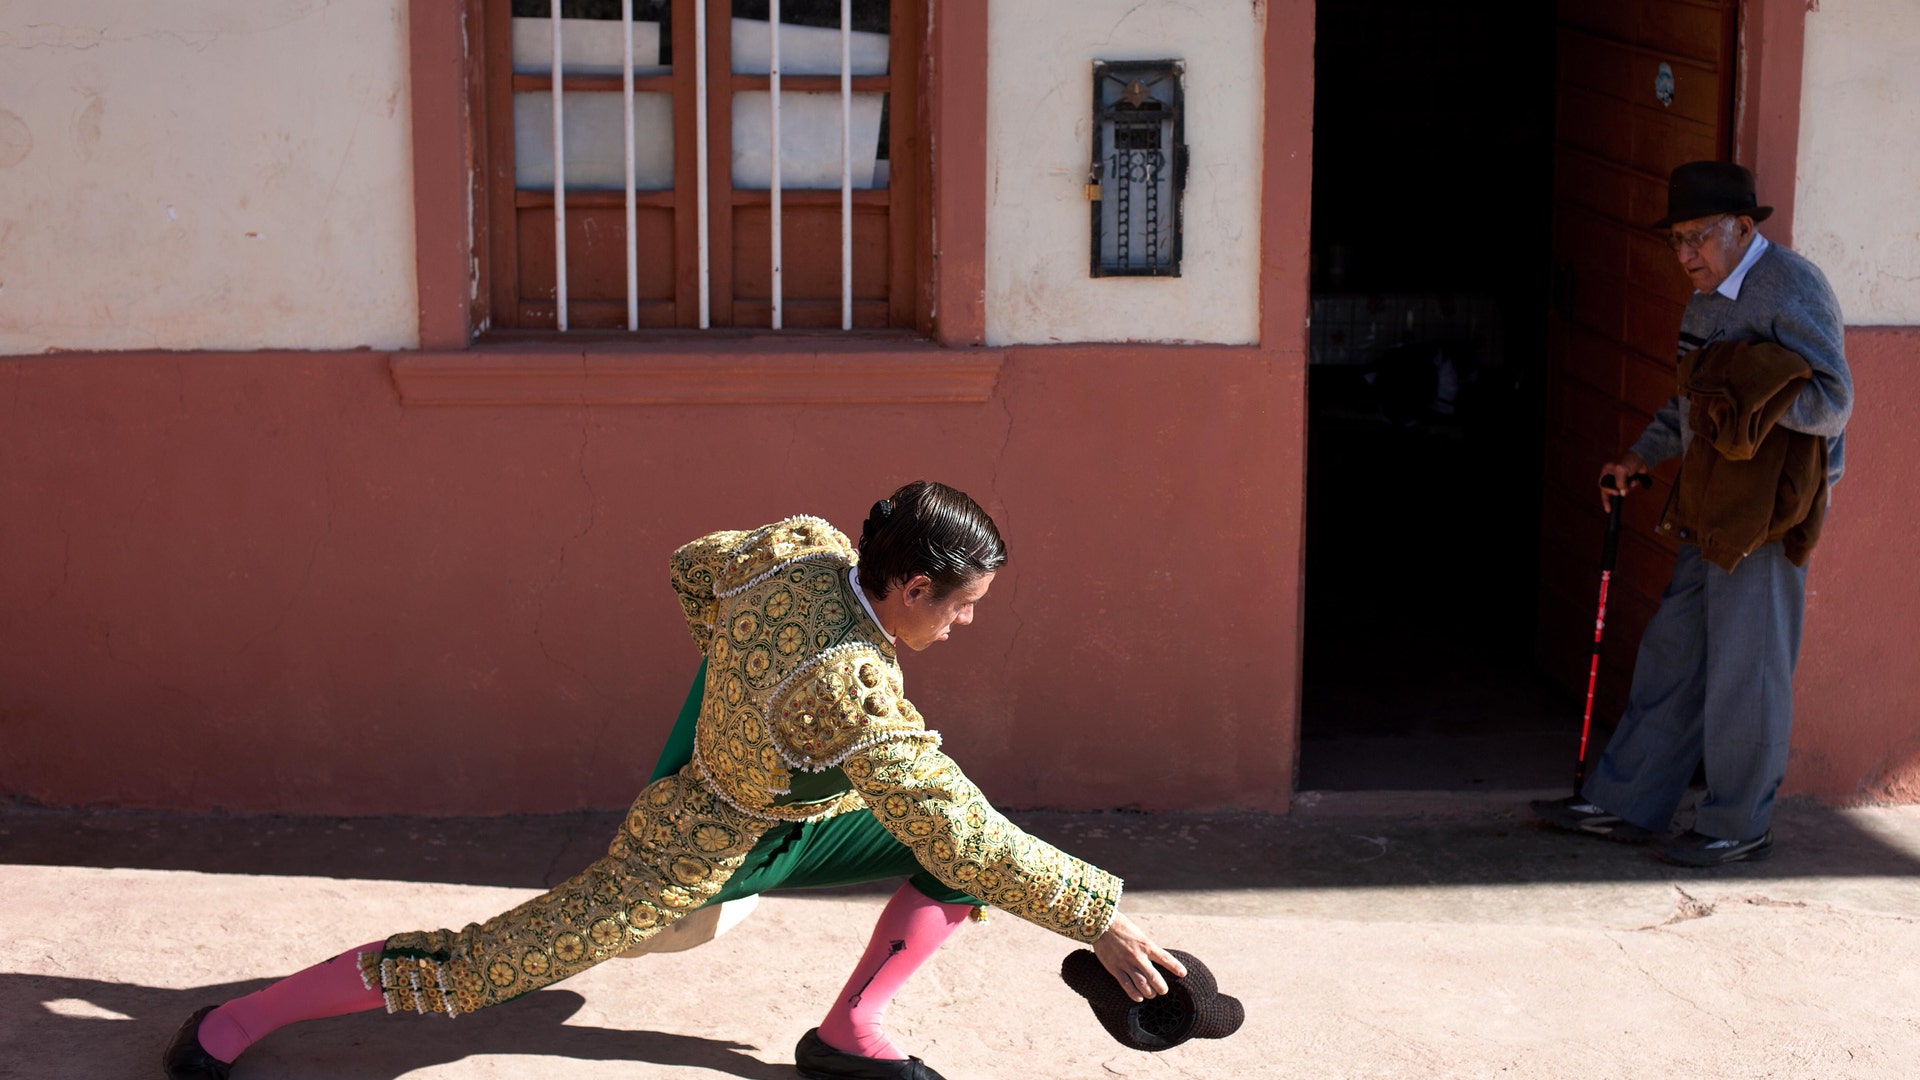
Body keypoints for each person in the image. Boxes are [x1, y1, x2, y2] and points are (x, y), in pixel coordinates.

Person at [162, 481, 1185, 1080]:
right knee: (492, 965)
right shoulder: (849, 687)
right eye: (961, 609)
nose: (961, 628)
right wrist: (1095, 914)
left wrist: (729, 681)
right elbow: (957, 823)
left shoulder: (802, 549)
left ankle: (848, 1033)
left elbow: (694, 566)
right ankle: (242, 1020)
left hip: (806, 807)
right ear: (911, 587)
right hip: (700, 841)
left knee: (960, 861)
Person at [1532, 161, 1853, 867]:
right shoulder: (1704, 299)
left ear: (1743, 228)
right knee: (1673, 653)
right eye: (1675, 241)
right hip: (1709, 501)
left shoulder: (1791, 286)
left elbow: (1834, 403)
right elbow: (1690, 404)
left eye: (1697, 239)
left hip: (1769, 516)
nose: (1685, 257)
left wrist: (1748, 406)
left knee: (1749, 669)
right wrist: (1643, 455)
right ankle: (1625, 803)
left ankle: (1738, 823)